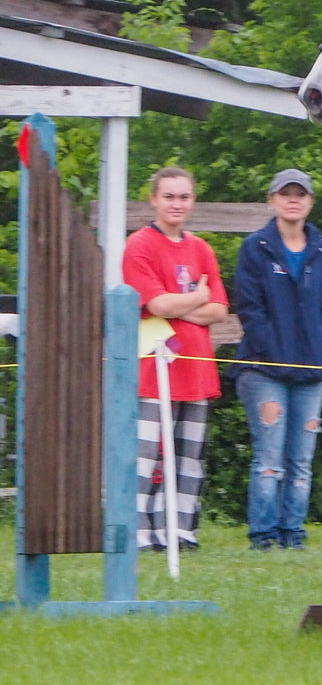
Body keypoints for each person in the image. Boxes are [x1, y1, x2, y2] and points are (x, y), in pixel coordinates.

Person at [231, 169, 322, 550]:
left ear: (310, 201)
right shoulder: (255, 248)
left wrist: (319, 348)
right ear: (271, 200)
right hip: (263, 369)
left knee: (300, 461)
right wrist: (270, 346)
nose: (293, 200)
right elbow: (248, 306)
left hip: (311, 371)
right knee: (269, 459)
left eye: (300, 194)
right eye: (285, 193)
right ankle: (263, 535)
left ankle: (293, 534)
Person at [122, 166, 229, 551]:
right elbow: (155, 302)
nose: (176, 204)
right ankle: (140, 531)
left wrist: (180, 306)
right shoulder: (139, 245)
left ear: (193, 200)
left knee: (189, 457)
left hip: (196, 368)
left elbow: (218, 310)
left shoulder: (201, 248)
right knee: (147, 456)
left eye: (184, 197)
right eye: (169, 196)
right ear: (154, 199)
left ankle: (180, 530)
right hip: (154, 366)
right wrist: (196, 298)